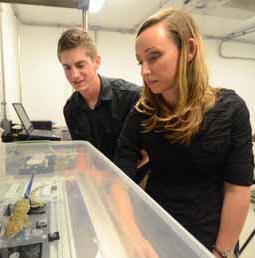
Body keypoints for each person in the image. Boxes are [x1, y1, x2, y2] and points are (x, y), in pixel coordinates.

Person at [114, 8, 253, 258]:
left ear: (189, 50)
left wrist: (221, 252)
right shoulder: (142, 113)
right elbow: (119, 181)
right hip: (155, 233)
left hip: (210, 238)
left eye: (154, 57)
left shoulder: (231, 110)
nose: (144, 71)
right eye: (140, 61)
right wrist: (133, 237)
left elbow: (237, 188)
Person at [57, 27, 149, 182]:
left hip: (136, 182)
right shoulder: (71, 109)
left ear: (96, 62)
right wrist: (74, 174)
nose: (74, 75)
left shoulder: (132, 97)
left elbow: (145, 155)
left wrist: (107, 178)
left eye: (80, 65)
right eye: (67, 67)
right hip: (100, 180)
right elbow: (83, 153)